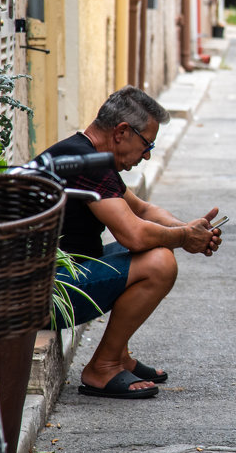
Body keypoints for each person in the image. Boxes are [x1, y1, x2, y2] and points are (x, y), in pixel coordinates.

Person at [39, 86, 223, 399]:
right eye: (146, 144)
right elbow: (133, 234)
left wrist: (190, 229)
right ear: (123, 131)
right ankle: (103, 367)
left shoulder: (86, 154)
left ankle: (119, 357)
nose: (148, 154)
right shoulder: (87, 163)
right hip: (45, 296)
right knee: (159, 263)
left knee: (154, 250)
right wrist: (183, 238)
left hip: (52, 282)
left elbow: (143, 210)